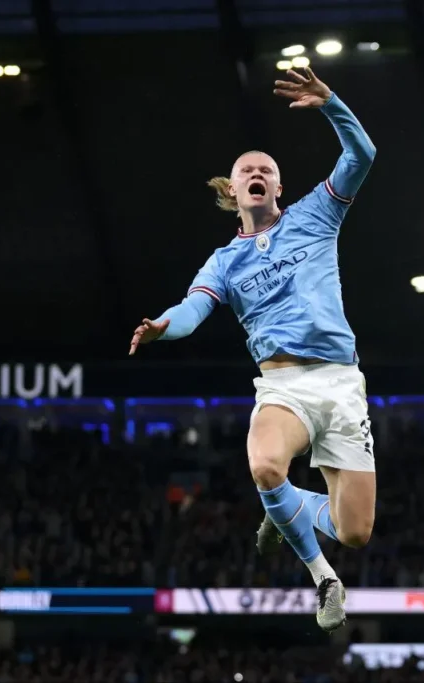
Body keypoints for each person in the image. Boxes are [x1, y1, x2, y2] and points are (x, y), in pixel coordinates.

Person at [128, 68, 376, 632]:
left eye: (267, 170)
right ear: (233, 191)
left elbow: (362, 155)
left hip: (341, 384)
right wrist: (164, 326)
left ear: (279, 188)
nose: (258, 174)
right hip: (284, 386)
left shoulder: (317, 214)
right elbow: (192, 311)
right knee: (264, 465)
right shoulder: (223, 262)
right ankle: (323, 578)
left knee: (355, 531)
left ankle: (285, 508)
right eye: (248, 171)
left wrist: (331, 103)